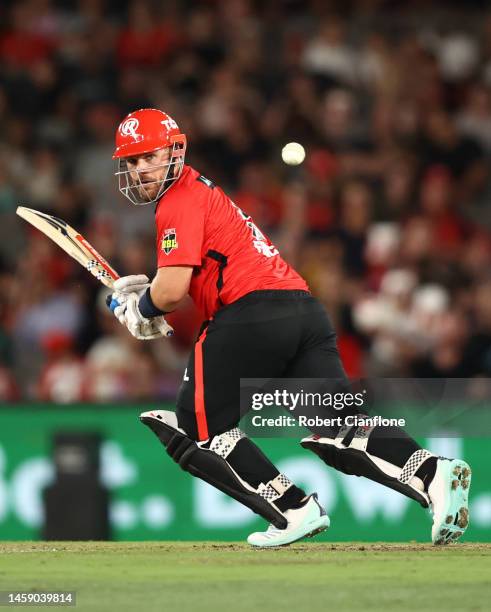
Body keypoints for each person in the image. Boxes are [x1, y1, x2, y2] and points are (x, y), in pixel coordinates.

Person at [108, 108, 471, 547]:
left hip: (249, 314)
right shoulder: (202, 191)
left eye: (147, 156)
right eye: (131, 162)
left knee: (197, 429)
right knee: (336, 428)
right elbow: (183, 283)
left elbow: (169, 293)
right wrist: (150, 295)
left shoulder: (178, 200)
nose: (139, 169)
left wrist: (139, 308)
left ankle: (293, 510)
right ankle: (432, 471)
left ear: (174, 150)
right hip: (301, 311)